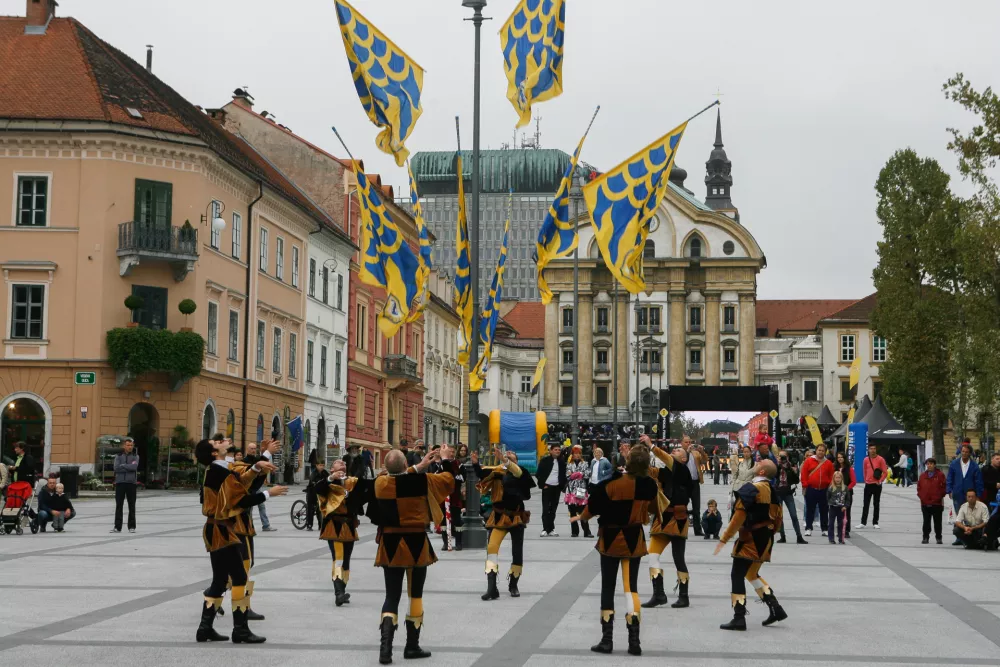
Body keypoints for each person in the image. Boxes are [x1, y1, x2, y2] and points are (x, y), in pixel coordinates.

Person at [570, 444, 664, 656]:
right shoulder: (649, 484)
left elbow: (591, 509)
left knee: (608, 587)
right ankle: (634, 641)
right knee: (631, 588)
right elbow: (652, 508)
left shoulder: (610, 484)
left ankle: (607, 639)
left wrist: (581, 517)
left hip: (611, 538)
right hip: (634, 538)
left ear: (627, 461)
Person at [194, 438, 285, 644]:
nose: (222, 441)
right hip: (222, 531)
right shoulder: (219, 472)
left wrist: (255, 466)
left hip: (216, 528)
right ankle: (240, 630)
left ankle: (205, 628)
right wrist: (269, 494)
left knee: (219, 580)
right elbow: (241, 499)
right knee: (239, 578)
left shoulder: (219, 470)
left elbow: (240, 482)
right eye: (216, 442)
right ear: (214, 453)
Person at [369, 448, 454, 664]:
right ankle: (412, 646)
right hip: (416, 541)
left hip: (390, 544)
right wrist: (443, 460)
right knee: (415, 595)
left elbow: (395, 477)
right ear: (406, 463)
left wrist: (417, 466)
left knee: (391, 596)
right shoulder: (422, 481)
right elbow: (448, 481)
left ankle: (385, 650)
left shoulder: (380, 484)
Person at [714, 459, 787, 631]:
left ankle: (739, 617)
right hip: (765, 539)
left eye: (761, 462)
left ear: (762, 472)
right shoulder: (773, 491)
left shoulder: (751, 489)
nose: (758, 461)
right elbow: (778, 519)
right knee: (752, 574)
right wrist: (769, 533)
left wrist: (724, 538)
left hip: (750, 539)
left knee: (737, 575)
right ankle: (775, 608)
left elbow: (738, 517)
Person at [474, 446, 536, 598]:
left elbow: (516, 471)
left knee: (517, 552)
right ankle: (491, 588)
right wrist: (475, 463)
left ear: (516, 460)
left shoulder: (521, 472)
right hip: (498, 516)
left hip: (516, 516)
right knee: (492, 549)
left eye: (511, 455)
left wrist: (505, 460)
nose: (508, 455)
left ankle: (513, 585)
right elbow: (481, 474)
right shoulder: (497, 471)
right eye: (506, 454)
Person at [641, 442, 692, 610]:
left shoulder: (683, 469)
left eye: (678, 450)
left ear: (683, 458)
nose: (674, 450)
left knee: (679, 559)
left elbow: (666, 458)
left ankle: (684, 596)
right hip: (663, 517)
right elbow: (650, 472)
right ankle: (659, 594)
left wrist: (651, 445)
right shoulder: (666, 471)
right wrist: (635, 459)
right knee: (652, 556)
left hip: (678, 518)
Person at [315, 458, 372, 607]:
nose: (342, 463)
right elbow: (317, 489)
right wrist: (330, 478)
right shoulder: (327, 482)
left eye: (344, 463)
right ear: (332, 469)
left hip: (349, 525)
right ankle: (338, 594)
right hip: (334, 525)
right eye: (338, 462)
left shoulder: (352, 482)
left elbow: (367, 489)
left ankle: (342, 590)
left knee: (346, 561)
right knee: (338, 558)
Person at [946, 443, 984, 544]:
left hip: (970, 495)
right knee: (959, 515)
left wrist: (978, 495)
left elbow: (978, 481)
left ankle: (968, 537)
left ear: (970, 453)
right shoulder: (954, 464)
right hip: (957, 493)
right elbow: (949, 478)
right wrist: (949, 490)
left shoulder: (974, 466)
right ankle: (958, 537)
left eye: (966, 452)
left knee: (969, 516)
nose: (964, 453)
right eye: (962, 451)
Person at [800, 444, 833, 536]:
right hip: (811, 489)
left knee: (824, 510)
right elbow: (804, 473)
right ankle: (808, 528)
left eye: (822, 450)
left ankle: (824, 528)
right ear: (816, 450)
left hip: (824, 490)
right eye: (819, 450)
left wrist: (829, 486)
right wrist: (805, 484)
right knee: (810, 509)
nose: (820, 452)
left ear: (825, 452)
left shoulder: (828, 463)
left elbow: (831, 476)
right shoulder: (809, 461)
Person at [775, 450, 806, 544]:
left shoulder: (791, 466)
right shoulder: (776, 466)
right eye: (781, 456)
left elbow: (797, 480)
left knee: (793, 515)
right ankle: (782, 536)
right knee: (779, 516)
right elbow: (772, 477)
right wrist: (777, 465)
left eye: (784, 456)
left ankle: (799, 536)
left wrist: (791, 469)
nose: (782, 458)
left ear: (787, 457)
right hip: (778, 493)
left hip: (788, 493)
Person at [536, 444, 566, 537]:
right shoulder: (544, 461)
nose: (557, 451)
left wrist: (562, 486)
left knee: (553, 510)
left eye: (559, 450)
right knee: (545, 509)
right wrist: (542, 485)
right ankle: (545, 529)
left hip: (556, 488)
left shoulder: (561, 462)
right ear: (551, 451)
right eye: (555, 450)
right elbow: (538, 474)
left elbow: (563, 475)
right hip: (547, 487)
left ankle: (551, 529)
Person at [111, 438, 139, 534]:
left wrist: (123, 466)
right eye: (128, 445)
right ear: (124, 446)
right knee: (119, 505)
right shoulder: (118, 456)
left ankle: (132, 526)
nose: (130, 447)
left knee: (132, 505)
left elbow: (134, 467)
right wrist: (127, 466)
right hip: (120, 483)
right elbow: (116, 468)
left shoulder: (135, 456)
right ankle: (117, 527)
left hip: (131, 484)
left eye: (131, 445)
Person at [917, 457, 947, 544]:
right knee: (926, 521)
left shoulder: (940, 475)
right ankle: (925, 537)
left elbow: (944, 487)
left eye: (931, 464)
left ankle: (938, 537)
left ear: (934, 465)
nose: (929, 465)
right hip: (925, 503)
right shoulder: (922, 476)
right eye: (928, 464)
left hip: (937, 503)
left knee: (937, 522)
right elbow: (919, 488)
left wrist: (940, 496)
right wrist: (921, 497)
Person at [858, 444, 888, 530]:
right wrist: (866, 480)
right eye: (871, 449)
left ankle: (875, 522)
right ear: (868, 450)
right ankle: (863, 522)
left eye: (874, 448)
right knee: (865, 504)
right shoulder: (866, 459)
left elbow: (885, 472)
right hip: (868, 484)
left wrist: (880, 480)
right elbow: (864, 470)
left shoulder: (881, 459)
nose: (873, 450)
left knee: (876, 503)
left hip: (877, 484)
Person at [680, 436, 706, 536]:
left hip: (695, 483)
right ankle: (681, 529)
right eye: (686, 442)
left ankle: (698, 530)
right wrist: (687, 452)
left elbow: (704, 461)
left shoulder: (695, 453)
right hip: (684, 484)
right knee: (682, 507)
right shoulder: (679, 452)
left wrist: (702, 451)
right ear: (681, 443)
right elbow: (682, 462)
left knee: (696, 508)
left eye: (689, 442)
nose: (688, 444)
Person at [565, 445, 593, 538]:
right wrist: (579, 474)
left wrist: (575, 474)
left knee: (582, 511)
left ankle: (587, 531)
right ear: (572, 455)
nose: (576, 455)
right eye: (575, 454)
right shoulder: (569, 464)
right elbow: (568, 476)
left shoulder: (585, 463)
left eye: (578, 454)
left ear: (581, 455)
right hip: (571, 490)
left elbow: (587, 474)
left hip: (581, 489)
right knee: (572, 511)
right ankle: (574, 532)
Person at [833, 451, 857, 538]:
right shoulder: (834, 467)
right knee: (838, 513)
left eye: (841, 457)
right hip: (836, 493)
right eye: (838, 457)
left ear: (844, 458)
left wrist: (846, 489)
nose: (840, 458)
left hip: (847, 494)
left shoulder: (849, 469)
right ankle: (839, 530)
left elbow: (853, 481)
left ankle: (846, 531)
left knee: (846, 512)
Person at [729, 446, 755, 518]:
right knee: (737, 505)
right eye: (744, 452)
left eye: (747, 452)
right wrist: (733, 485)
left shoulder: (755, 464)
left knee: (746, 507)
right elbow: (735, 475)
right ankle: (733, 521)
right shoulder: (740, 464)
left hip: (748, 489)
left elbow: (755, 477)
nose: (746, 453)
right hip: (738, 488)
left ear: (750, 453)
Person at [304, 453, 326, 531]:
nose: (322, 467)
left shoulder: (325, 473)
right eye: (320, 465)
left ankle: (321, 525)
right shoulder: (314, 473)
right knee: (311, 509)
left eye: (323, 465)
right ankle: (309, 525)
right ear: (316, 465)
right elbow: (312, 480)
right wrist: (315, 482)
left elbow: (329, 479)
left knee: (320, 510)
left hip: (320, 493)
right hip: (312, 493)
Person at [827, 471, 848, 544]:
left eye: (839, 477)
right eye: (836, 477)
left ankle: (841, 538)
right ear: (834, 478)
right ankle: (831, 538)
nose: (838, 479)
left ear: (842, 478)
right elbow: (828, 497)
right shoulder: (831, 488)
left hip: (841, 508)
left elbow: (848, 499)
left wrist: (845, 506)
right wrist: (830, 503)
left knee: (841, 524)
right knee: (831, 523)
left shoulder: (845, 488)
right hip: (833, 507)